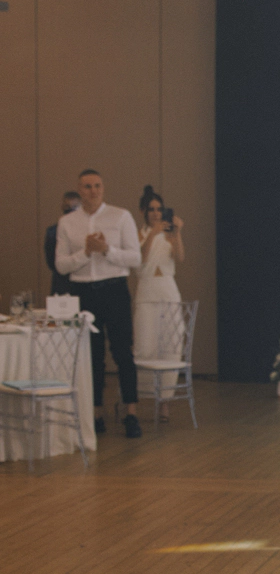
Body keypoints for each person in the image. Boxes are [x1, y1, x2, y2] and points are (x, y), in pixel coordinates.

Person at [53, 168, 141, 438]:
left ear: (103, 188)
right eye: (87, 186)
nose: (93, 191)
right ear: (79, 190)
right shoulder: (67, 222)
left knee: (123, 352)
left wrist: (107, 251)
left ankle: (131, 413)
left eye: (97, 186)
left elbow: (135, 258)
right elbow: (61, 265)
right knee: (91, 356)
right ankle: (96, 413)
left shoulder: (120, 216)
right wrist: (86, 253)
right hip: (84, 292)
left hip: (114, 289)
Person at [135, 187, 185, 420]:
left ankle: (165, 401)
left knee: (170, 347)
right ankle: (141, 396)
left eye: (159, 209)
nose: (156, 213)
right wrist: (153, 234)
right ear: (144, 212)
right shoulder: (138, 234)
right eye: (151, 209)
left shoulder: (169, 233)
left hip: (168, 291)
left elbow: (180, 257)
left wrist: (178, 233)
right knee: (145, 346)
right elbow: (140, 260)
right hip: (146, 292)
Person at [44, 192, 80, 297]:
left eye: (74, 207)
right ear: (62, 207)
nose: (71, 210)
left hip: (84, 282)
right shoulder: (52, 232)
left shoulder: (88, 230)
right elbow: (51, 261)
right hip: (61, 282)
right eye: (67, 207)